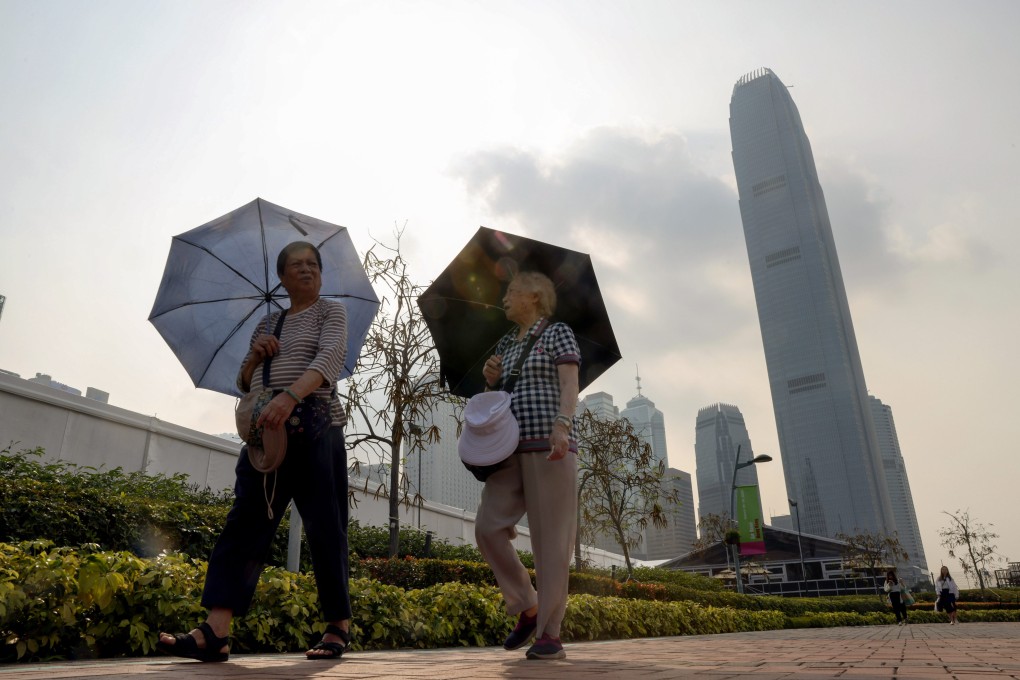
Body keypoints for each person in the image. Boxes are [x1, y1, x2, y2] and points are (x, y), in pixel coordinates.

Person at [157, 241, 354, 661]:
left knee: (326, 528)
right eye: (297, 265)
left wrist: (290, 397)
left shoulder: (330, 311)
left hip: (316, 428)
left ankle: (338, 625)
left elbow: (330, 357)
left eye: (313, 265)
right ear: (281, 278)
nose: (307, 270)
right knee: (244, 524)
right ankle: (216, 632)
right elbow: (245, 383)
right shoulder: (270, 322)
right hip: (267, 435)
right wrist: (254, 360)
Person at [475, 271, 580, 661]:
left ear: (534, 296)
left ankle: (549, 632)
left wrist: (563, 425)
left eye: (511, 291)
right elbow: (497, 400)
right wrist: (489, 381)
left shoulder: (557, 333)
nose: (505, 298)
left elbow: (570, 383)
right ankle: (527, 605)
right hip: (508, 450)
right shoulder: (504, 343)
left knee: (551, 542)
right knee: (488, 527)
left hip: (550, 445)